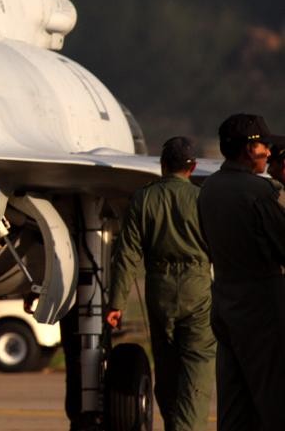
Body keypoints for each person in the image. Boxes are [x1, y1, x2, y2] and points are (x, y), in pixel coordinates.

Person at [105, 136, 215, 431]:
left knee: (166, 373)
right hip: (198, 289)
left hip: (160, 289)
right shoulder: (203, 199)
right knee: (197, 371)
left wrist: (116, 303)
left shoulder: (144, 198)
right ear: (192, 168)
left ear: (163, 165)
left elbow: (126, 254)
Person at [198, 113, 285, 431]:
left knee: (235, 405)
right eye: (264, 146)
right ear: (249, 150)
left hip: (225, 301)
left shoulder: (209, 189)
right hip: (262, 305)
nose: (268, 153)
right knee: (274, 399)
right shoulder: (260, 193)